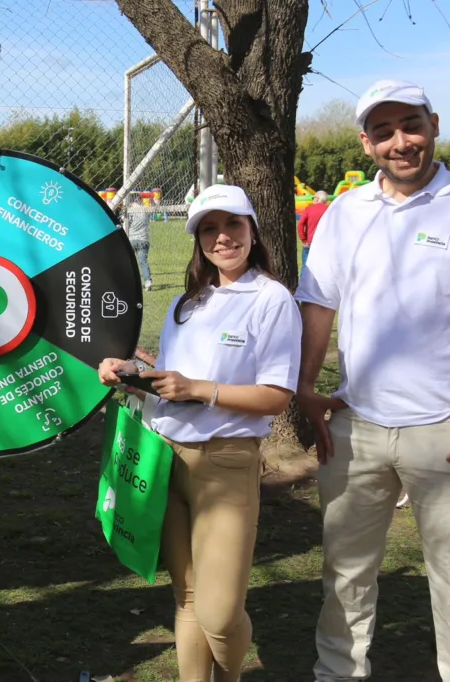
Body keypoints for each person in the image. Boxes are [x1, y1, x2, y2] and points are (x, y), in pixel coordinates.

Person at [296, 79, 450, 682]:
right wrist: (304, 387)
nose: (400, 142)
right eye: (383, 132)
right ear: (366, 143)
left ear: (434, 125)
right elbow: (318, 306)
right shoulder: (345, 213)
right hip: (357, 425)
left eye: (411, 125)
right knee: (344, 577)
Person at [99, 185, 302, 682]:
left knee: (219, 613)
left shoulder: (271, 299)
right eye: (209, 229)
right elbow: (173, 385)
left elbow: (277, 396)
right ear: (198, 240)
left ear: (253, 230)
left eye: (233, 224)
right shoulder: (184, 304)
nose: (222, 237)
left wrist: (199, 389)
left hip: (227, 464)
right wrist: (131, 374)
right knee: (187, 599)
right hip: (166, 458)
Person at [124, 193, 153, 291]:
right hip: (143, 239)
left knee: (130, 262)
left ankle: (130, 282)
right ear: (139, 199)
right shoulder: (145, 210)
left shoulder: (129, 210)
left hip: (131, 239)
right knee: (143, 262)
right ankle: (148, 281)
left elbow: (126, 224)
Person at [297, 190, 328, 276]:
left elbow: (300, 224)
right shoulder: (329, 209)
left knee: (305, 267)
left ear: (317, 198)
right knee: (323, 268)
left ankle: (304, 284)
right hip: (324, 243)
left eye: (313, 198)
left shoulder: (309, 209)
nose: (313, 199)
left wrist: (304, 240)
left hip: (309, 242)